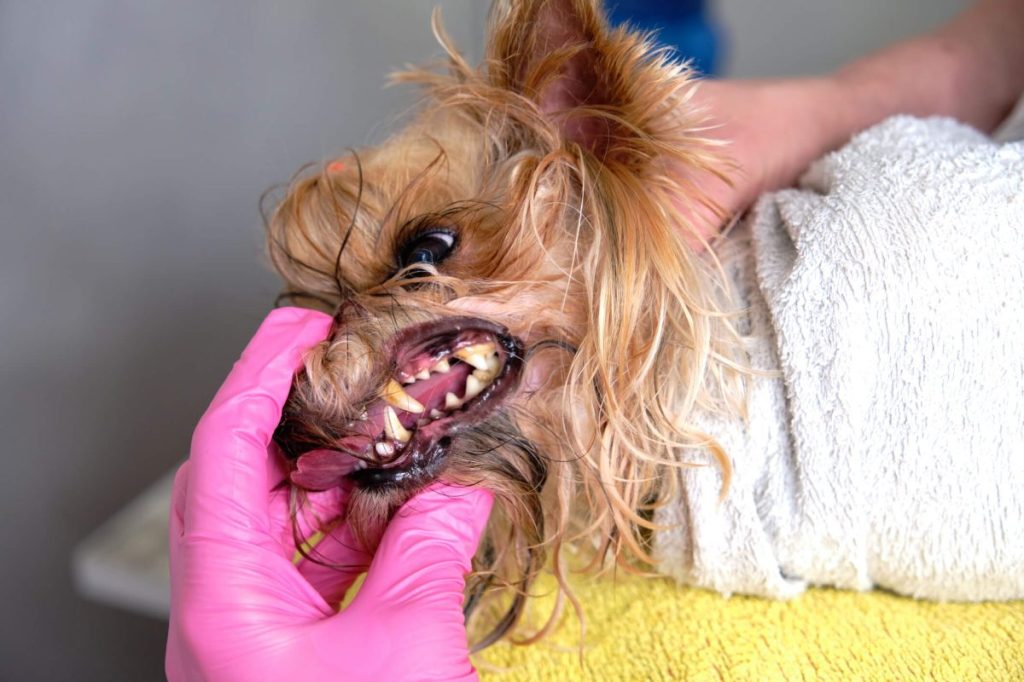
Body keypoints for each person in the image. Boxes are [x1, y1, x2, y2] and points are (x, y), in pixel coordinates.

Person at [166, 2, 1024, 680]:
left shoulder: (874, 258)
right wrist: (841, 104)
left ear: (586, 139)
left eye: (428, 254)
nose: (325, 355)